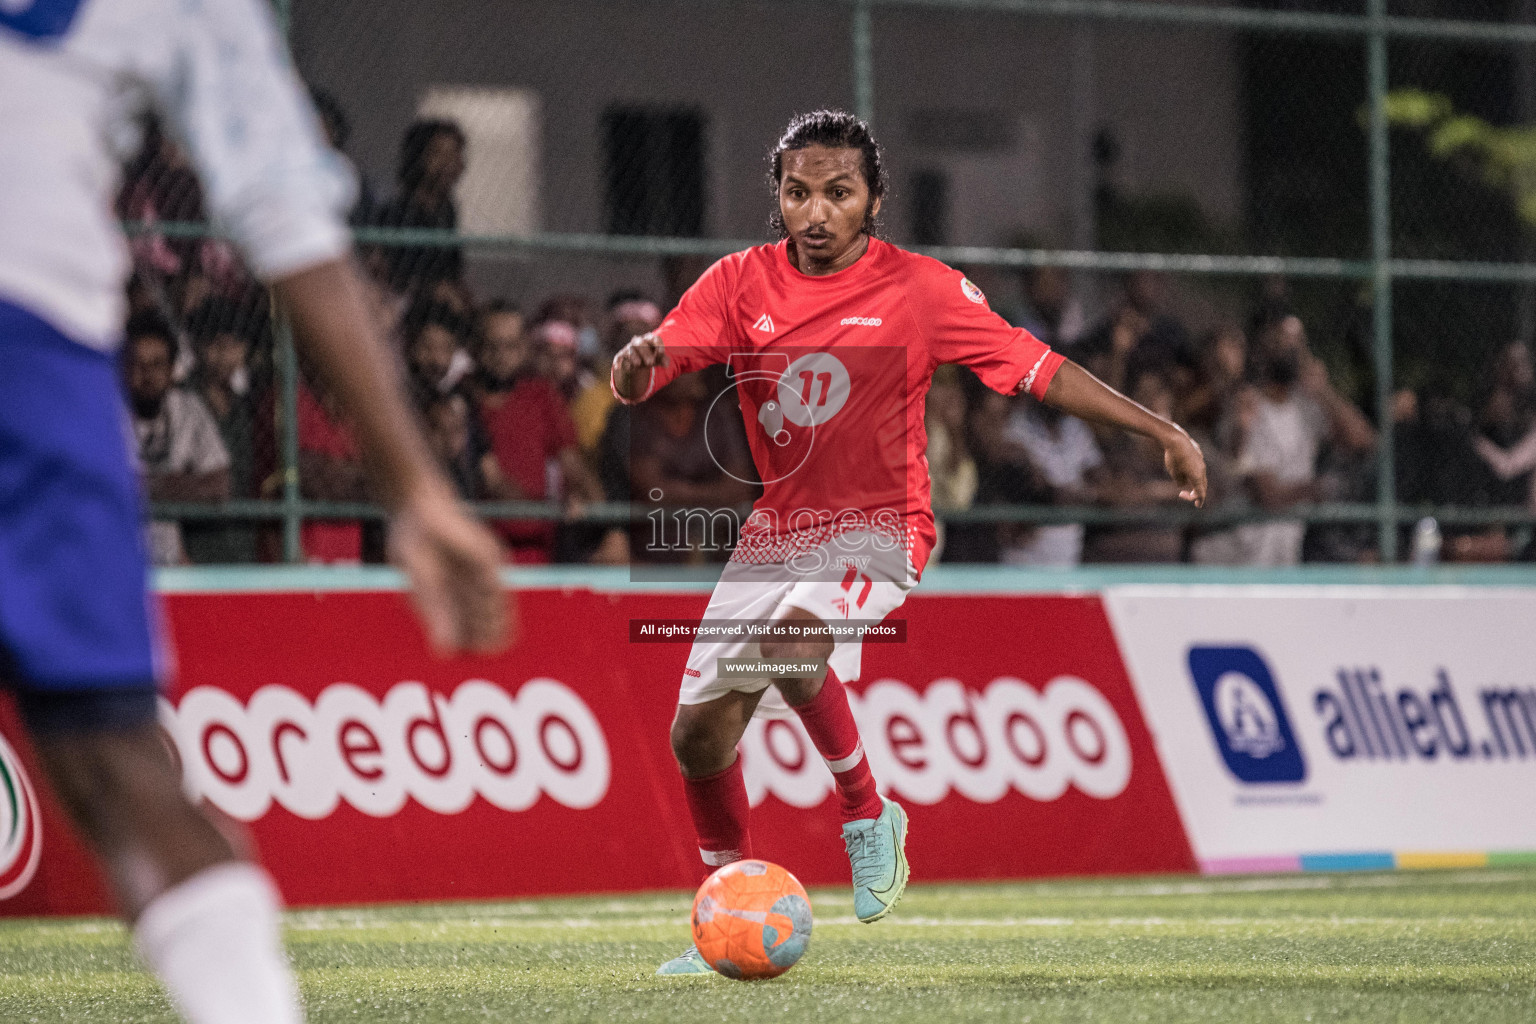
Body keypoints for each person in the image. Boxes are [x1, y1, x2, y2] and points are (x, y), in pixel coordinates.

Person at [0, 4, 508, 1024]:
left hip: (36, 334)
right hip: (30, 344)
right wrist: (414, 484)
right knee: (118, 770)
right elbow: (286, 216)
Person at [611, 110, 1206, 975]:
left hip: (882, 528)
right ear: (777, 198)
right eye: (798, 193)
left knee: (789, 644)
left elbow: (1038, 367)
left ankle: (865, 811)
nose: (815, 213)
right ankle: (726, 920)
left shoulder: (920, 290)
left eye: (838, 194)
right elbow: (665, 354)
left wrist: (1158, 429)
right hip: (778, 531)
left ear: (874, 202)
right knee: (697, 738)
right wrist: (638, 367)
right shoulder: (741, 282)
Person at [124, 313, 232, 566]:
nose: (147, 375)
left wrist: (142, 486)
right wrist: (179, 484)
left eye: (157, 364)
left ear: (172, 370)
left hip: (169, 558)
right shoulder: (104, 409)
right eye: (137, 364)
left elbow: (219, 485)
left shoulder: (186, 408)